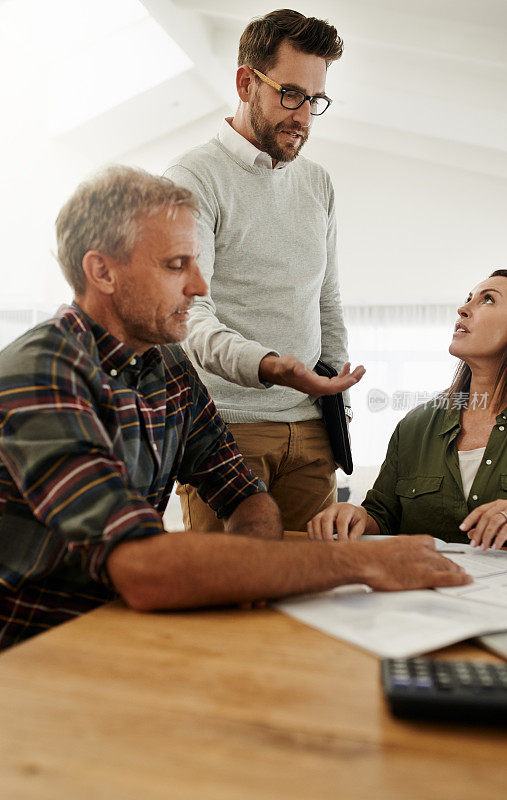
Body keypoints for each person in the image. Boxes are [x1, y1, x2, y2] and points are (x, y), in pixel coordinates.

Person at [0, 165, 470, 650]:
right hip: (35, 655)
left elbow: (244, 493)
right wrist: (364, 562)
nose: (202, 287)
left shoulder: (168, 366)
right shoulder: (41, 374)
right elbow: (138, 566)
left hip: (124, 632)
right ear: (103, 271)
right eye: (176, 264)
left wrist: (244, 569)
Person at [165, 9, 363, 533]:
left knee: (315, 599)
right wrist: (271, 365)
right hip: (227, 432)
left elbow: (327, 300)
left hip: (313, 433)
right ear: (245, 82)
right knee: (229, 603)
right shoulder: (193, 178)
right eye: (290, 94)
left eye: (315, 101)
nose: (303, 116)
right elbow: (189, 318)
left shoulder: (318, 184)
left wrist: (334, 391)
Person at [308, 270, 507, 549]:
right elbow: (382, 517)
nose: (463, 309)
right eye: (468, 298)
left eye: (488, 300)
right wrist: (355, 515)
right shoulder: (415, 426)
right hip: (425, 588)